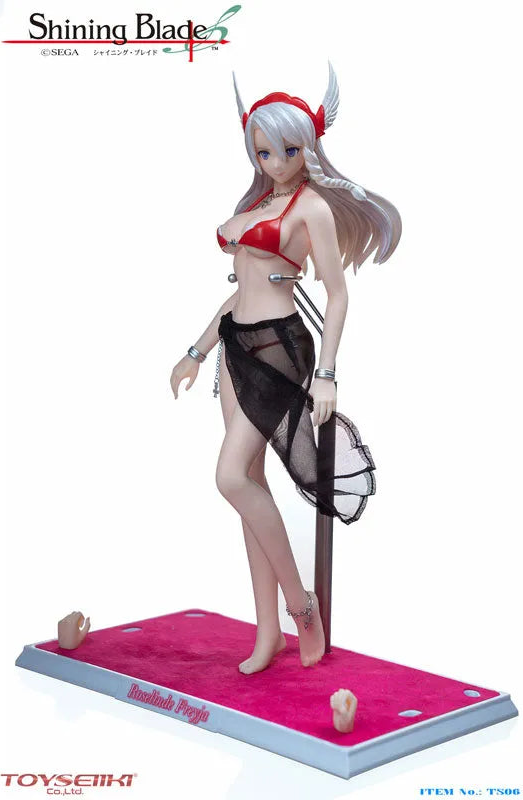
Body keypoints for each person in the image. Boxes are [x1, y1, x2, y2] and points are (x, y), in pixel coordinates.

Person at [170, 62, 401, 673]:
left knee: (229, 477)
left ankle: (302, 607)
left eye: (287, 150)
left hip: (279, 347)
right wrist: (195, 352)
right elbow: (236, 294)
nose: (274, 161)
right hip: (235, 343)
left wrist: (326, 374)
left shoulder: (312, 208)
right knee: (250, 479)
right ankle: (267, 631)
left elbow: (338, 295)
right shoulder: (258, 204)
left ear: (309, 147)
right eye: (263, 151)